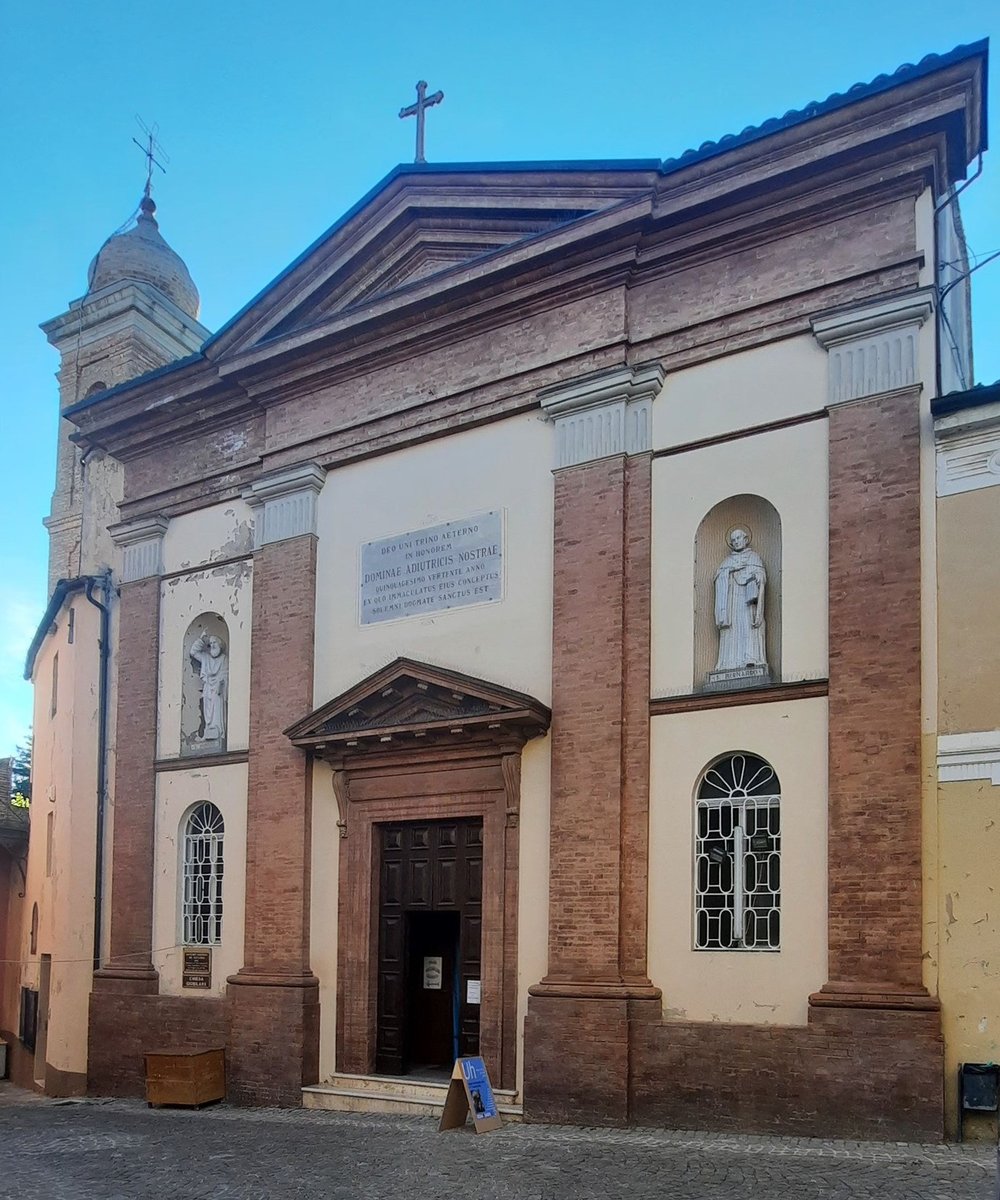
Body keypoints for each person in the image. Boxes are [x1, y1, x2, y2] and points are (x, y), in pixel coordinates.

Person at [713, 527, 768, 674]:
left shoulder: (753, 557)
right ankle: (729, 663)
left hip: (747, 601)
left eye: (739, 538)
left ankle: (750, 658)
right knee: (732, 630)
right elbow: (718, 578)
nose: (736, 542)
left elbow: (761, 575)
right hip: (731, 602)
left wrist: (758, 576)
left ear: (745, 539)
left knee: (747, 626)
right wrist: (729, 570)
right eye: (733, 540)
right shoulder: (727, 561)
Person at [189, 632, 228, 744]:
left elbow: (226, 674)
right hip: (208, 688)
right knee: (207, 711)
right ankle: (207, 733)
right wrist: (201, 640)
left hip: (217, 690)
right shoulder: (205, 658)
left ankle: (219, 733)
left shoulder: (224, 659)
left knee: (217, 711)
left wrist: (220, 683)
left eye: (215, 642)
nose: (213, 645)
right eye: (211, 643)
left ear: (220, 644)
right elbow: (193, 652)